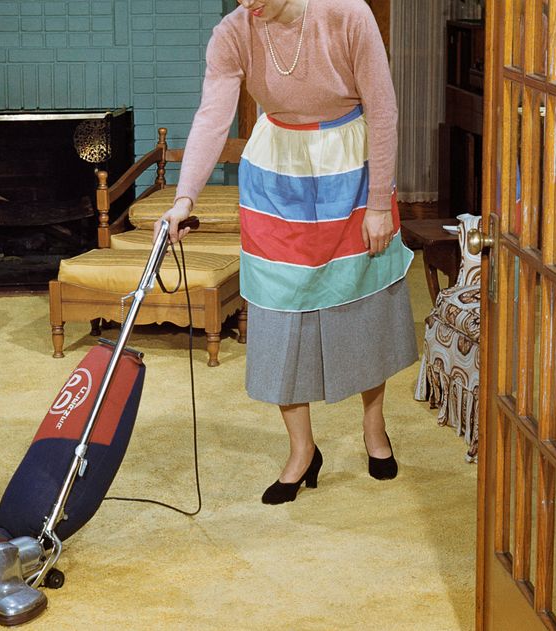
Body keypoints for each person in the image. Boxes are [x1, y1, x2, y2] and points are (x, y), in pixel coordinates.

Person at [155, 0, 417, 505]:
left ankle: (374, 427)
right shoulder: (233, 32)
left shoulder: (348, 14)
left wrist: (379, 204)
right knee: (278, 310)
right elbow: (212, 117)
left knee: (362, 302)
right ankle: (302, 450)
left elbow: (383, 109)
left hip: (350, 166)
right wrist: (184, 198)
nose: (246, 2)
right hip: (276, 173)